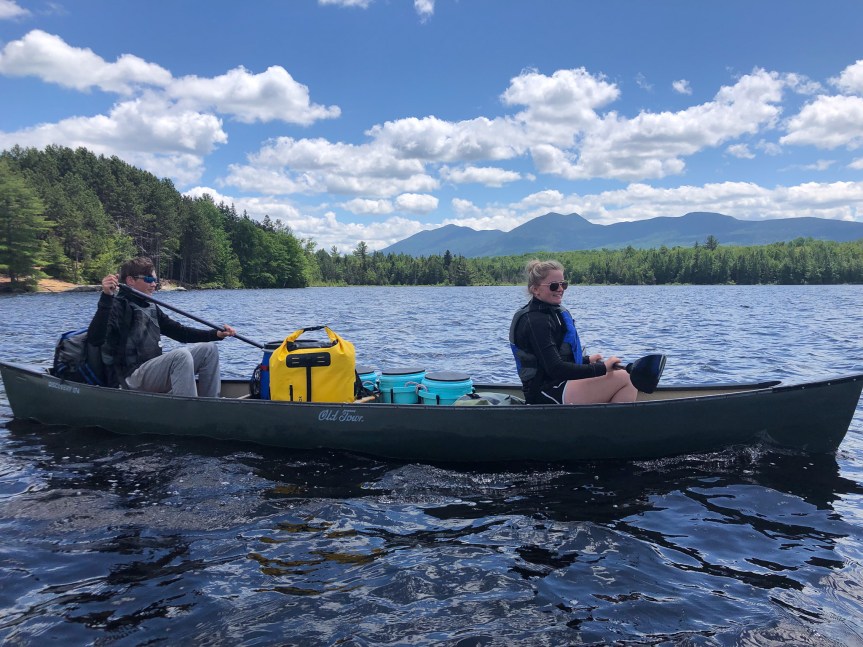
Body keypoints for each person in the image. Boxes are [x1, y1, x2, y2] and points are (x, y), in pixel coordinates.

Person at [87, 256, 237, 397]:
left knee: (209, 349)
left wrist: (215, 334)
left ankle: (211, 405)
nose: (154, 284)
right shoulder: (118, 306)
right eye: (148, 279)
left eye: (155, 280)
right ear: (130, 281)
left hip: (151, 372)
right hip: (130, 378)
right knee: (181, 356)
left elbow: (180, 332)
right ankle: (190, 413)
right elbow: (94, 339)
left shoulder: (150, 306)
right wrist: (106, 297)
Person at [509, 259, 637, 405]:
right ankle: (615, 426)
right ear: (535, 289)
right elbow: (555, 368)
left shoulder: (550, 314)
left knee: (625, 377)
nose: (560, 289)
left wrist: (586, 361)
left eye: (563, 284)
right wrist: (602, 368)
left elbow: (552, 358)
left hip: (560, 385)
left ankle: (608, 424)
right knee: (626, 378)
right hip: (545, 393)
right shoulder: (535, 321)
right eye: (554, 286)